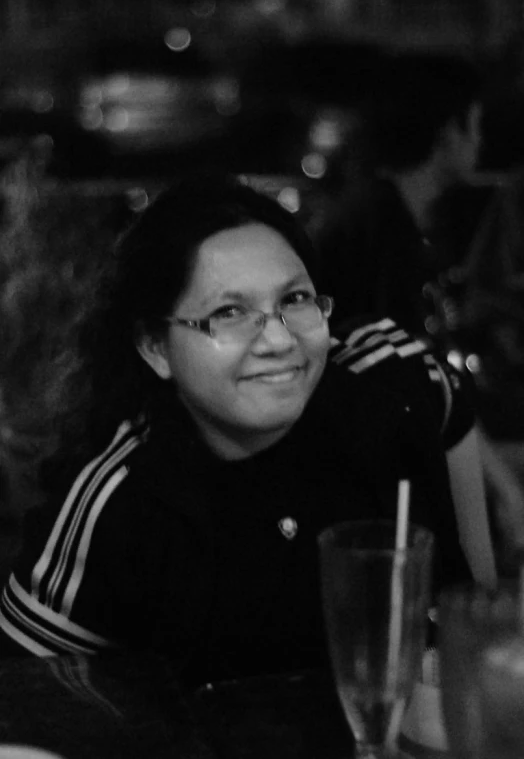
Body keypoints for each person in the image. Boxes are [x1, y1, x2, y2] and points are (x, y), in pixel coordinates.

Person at [0, 173, 495, 686]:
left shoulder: (392, 380)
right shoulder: (120, 500)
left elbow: (484, 611)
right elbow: (29, 703)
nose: (279, 340)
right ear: (154, 347)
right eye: (229, 312)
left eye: (296, 299)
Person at [318, 51, 489, 338]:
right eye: (476, 125)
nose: (480, 141)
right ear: (447, 132)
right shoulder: (375, 227)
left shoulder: (389, 210)